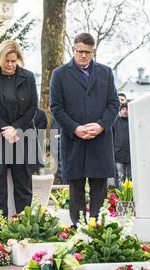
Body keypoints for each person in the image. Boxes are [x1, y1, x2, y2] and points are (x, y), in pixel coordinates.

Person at [50, 32, 119, 226]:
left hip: (100, 139)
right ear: (73, 49)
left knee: (99, 188)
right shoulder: (60, 74)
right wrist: (75, 128)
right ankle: (78, 228)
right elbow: (56, 108)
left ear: (93, 51)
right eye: (79, 51)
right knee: (76, 188)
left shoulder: (105, 72)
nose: (83, 55)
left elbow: (114, 104)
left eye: (87, 52)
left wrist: (100, 125)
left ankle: (97, 226)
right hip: (74, 140)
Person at [0, 40, 42, 231]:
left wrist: (15, 129)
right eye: (7, 61)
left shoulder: (27, 77)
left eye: (14, 60)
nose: (10, 65)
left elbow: (32, 107)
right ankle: (0, 233)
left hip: (21, 137)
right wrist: (5, 129)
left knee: (24, 189)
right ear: (0, 58)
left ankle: (24, 231)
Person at [112, 103, 131, 188]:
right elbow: (111, 137)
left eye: (127, 109)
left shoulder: (132, 122)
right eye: (123, 109)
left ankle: (130, 196)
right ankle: (121, 196)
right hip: (118, 153)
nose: (125, 111)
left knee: (130, 177)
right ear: (120, 111)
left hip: (130, 154)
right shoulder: (115, 122)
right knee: (120, 176)